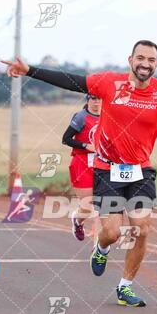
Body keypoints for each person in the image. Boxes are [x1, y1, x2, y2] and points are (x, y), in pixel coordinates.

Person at [1, 40, 157, 307]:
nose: (145, 64)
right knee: (112, 233)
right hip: (107, 169)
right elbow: (71, 81)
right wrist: (29, 70)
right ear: (130, 60)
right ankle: (101, 248)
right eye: (140, 58)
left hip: (140, 171)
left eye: (151, 60)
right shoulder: (108, 83)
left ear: (156, 64)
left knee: (142, 228)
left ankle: (125, 287)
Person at [61, 94, 101, 240]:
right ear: (88, 100)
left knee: (104, 206)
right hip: (82, 163)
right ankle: (77, 221)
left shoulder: (108, 116)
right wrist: (85, 145)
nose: (96, 101)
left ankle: (98, 247)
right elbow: (65, 139)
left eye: (99, 98)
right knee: (87, 206)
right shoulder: (81, 117)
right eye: (93, 98)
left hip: (102, 163)